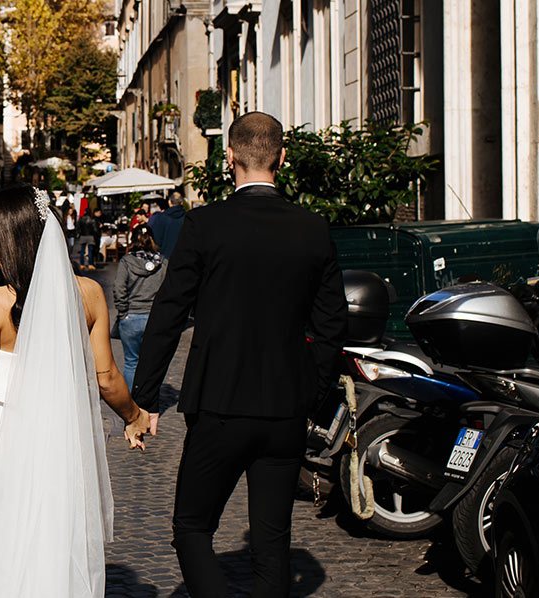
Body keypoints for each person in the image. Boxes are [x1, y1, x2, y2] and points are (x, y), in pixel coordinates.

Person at [131, 112, 347, 598]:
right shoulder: (312, 228)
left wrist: (145, 397)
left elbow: (169, 311)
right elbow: (332, 323)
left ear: (229, 157)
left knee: (191, 528)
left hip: (219, 404)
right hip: (285, 409)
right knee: (272, 542)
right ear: (282, 159)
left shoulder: (206, 225)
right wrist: (311, 392)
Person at [0, 184, 152, 597]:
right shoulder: (90, 294)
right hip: (60, 442)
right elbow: (106, 377)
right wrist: (135, 416)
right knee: (53, 554)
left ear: (11, 238)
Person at [113, 225, 166, 391]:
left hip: (131, 317)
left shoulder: (127, 261)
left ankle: (132, 403)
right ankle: (148, 399)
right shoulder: (163, 262)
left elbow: (119, 288)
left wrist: (123, 312)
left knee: (131, 363)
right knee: (151, 363)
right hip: (155, 317)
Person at [147, 192, 187, 258]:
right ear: (182, 203)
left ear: (169, 202)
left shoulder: (161, 218)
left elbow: (156, 240)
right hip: (184, 257)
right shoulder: (188, 217)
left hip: (165, 257)